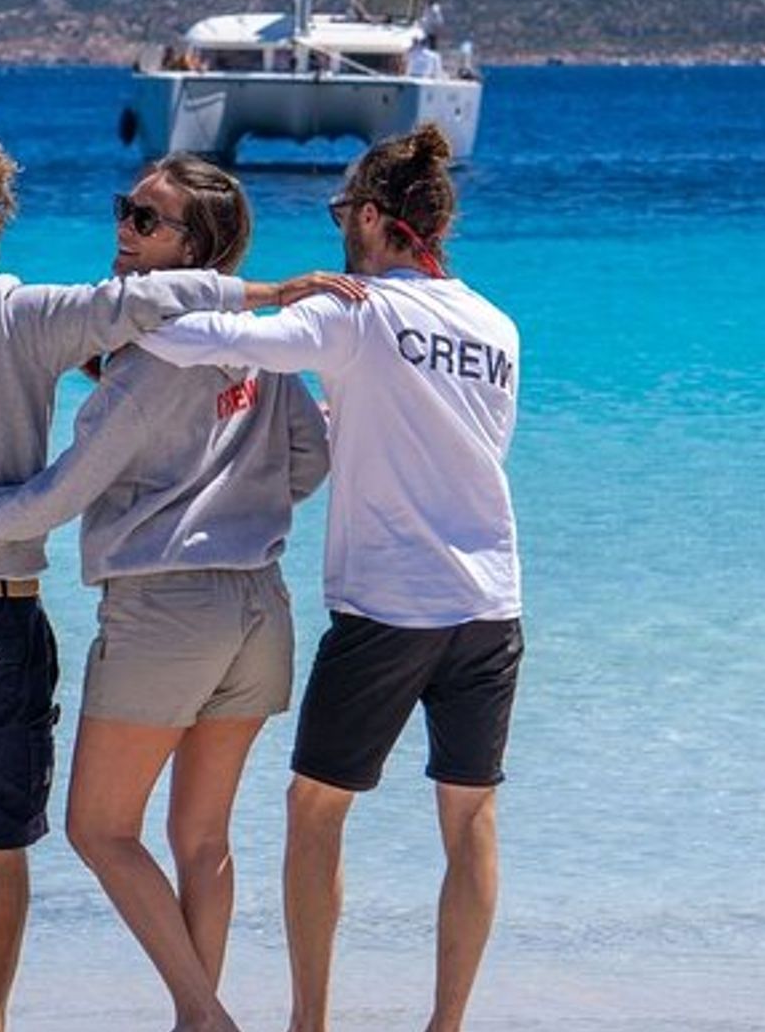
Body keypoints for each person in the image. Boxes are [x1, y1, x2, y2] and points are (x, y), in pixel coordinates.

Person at [0, 121, 346, 1032]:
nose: (122, 226)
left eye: (141, 216)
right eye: (125, 211)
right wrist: (235, 490)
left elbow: (44, 490)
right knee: (125, 841)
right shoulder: (214, 342)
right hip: (219, 608)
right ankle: (55, 1023)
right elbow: (303, 454)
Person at [135, 124, 525, 1032]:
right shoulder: (497, 327)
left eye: (345, 211)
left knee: (314, 808)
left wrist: (126, 308)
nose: (340, 228)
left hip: (391, 608)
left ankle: (309, 1024)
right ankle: (447, 1026)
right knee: (470, 820)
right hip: (492, 603)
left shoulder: (354, 310)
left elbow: (209, 340)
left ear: (381, 222)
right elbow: (426, 428)